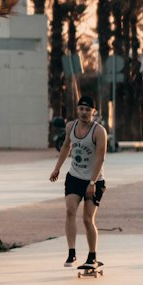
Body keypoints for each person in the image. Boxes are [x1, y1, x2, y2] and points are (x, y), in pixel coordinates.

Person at [49, 94, 108, 268]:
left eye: (88, 110)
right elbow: (66, 146)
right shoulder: (70, 127)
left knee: (87, 219)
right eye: (81, 109)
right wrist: (57, 168)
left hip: (94, 180)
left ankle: (92, 256)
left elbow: (100, 158)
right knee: (69, 210)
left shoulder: (99, 131)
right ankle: (72, 253)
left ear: (93, 112)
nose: (84, 112)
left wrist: (92, 183)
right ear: (77, 110)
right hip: (74, 176)